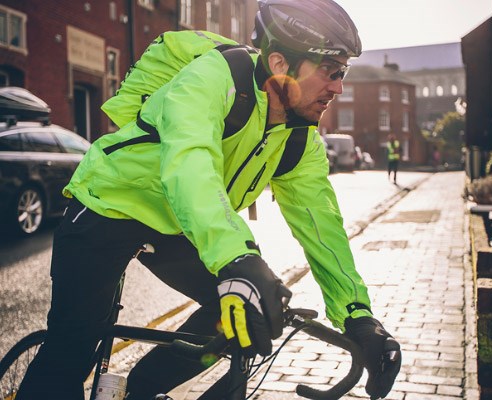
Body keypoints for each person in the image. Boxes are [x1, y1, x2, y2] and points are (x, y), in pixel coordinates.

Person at [16, 1, 402, 399]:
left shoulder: (300, 138)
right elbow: (190, 164)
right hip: (108, 207)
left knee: (242, 315)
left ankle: (142, 391)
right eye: (330, 71)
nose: (338, 87)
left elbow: (323, 227)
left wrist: (359, 319)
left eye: (344, 73)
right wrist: (238, 258)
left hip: (178, 222)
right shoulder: (214, 78)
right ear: (281, 64)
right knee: (73, 347)